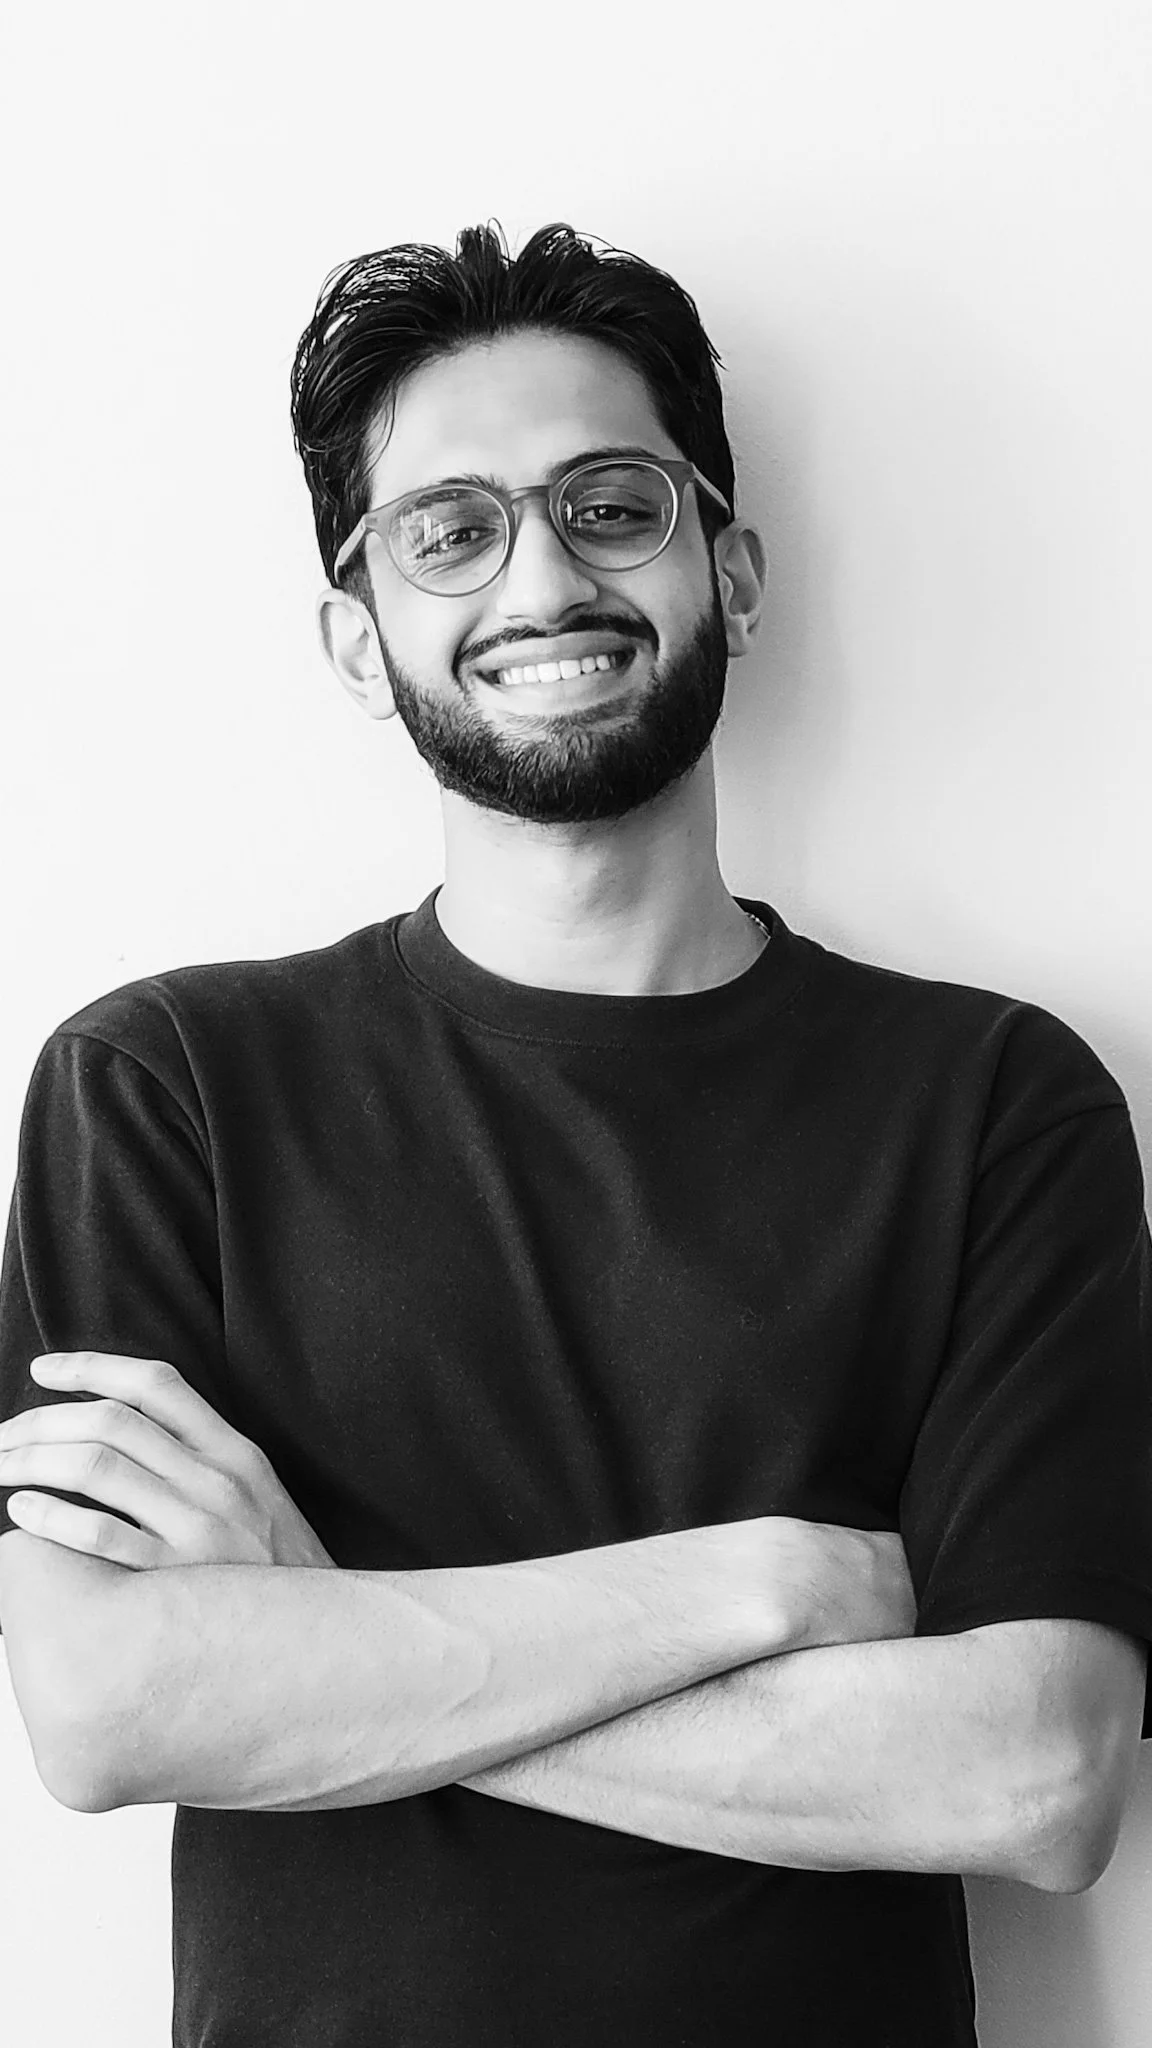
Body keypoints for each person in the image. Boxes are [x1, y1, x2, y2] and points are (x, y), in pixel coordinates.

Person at [0, 219, 1150, 2048]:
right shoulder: (164, 1089)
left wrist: (313, 1628)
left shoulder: (997, 1102)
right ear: (360, 642)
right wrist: (759, 1587)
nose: (541, 577)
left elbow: (1035, 1780)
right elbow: (108, 1712)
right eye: (448, 531)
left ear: (734, 571)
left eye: (613, 503)